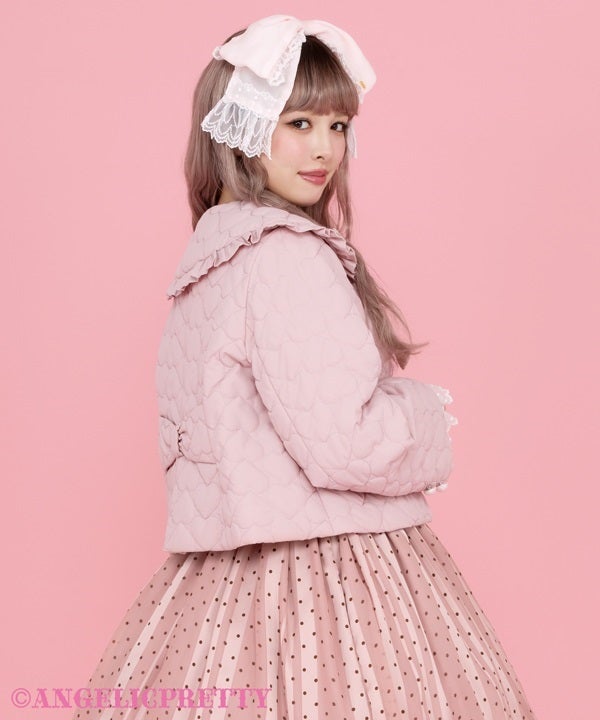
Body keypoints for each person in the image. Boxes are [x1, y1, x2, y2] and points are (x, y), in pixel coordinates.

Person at [74, 15, 538, 720]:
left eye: (338, 126)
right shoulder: (286, 255)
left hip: (220, 585)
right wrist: (424, 415)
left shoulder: (205, 266)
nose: (325, 148)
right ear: (241, 124)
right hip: (333, 577)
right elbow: (343, 443)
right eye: (298, 123)